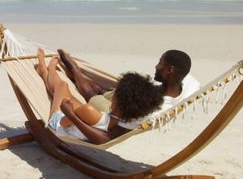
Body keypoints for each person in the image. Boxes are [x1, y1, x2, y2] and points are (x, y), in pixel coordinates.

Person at [36, 49, 162, 144]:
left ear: (118, 101)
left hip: (57, 124)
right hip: (89, 119)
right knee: (65, 93)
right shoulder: (130, 119)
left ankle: (47, 70)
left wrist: (69, 113)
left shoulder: (89, 110)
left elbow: (63, 123)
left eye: (114, 94)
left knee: (62, 86)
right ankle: (46, 73)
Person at [58, 49, 200, 130]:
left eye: (160, 63)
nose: (156, 66)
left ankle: (74, 70)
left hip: (117, 109)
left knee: (92, 95)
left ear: (170, 70)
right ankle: (75, 75)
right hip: (129, 95)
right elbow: (192, 81)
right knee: (102, 90)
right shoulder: (187, 85)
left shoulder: (157, 108)